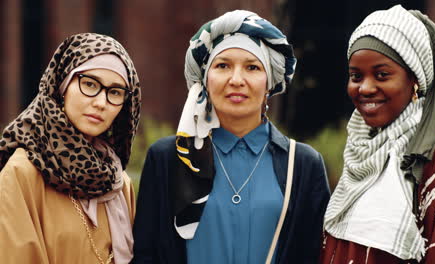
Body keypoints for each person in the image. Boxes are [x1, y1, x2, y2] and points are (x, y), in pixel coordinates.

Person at [132, 10, 330, 264]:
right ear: (205, 78)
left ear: (269, 81)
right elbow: (146, 255)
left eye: (252, 67)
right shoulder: (169, 158)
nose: (237, 80)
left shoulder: (302, 165)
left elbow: (314, 255)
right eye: (223, 65)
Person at [320, 5, 435, 264]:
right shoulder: (362, 148)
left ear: (415, 81)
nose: (364, 88)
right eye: (356, 76)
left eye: (382, 75)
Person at [0, 33, 141, 264]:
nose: (100, 102)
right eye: (89, 84)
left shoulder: (119, 183)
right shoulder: (22, 173)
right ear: (62, 85)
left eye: (115, 92)